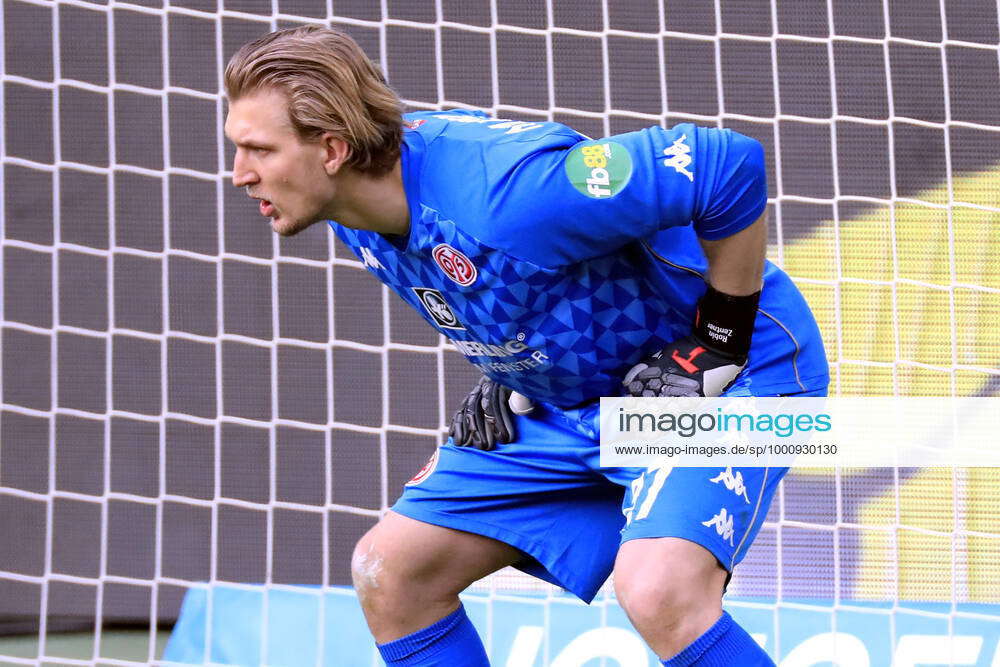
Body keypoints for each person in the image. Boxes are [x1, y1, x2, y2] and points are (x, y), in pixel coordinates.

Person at [223, 25, 829, 666]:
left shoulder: (510, 194)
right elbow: (521, 283)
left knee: (660, 589)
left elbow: (724, 163)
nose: (239, 175)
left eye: (258, 149)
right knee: (390, 573)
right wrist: (514, 365)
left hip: (745, 375)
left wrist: (718, 340)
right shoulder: (353, 210)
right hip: (591, 397)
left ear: (333, 149)